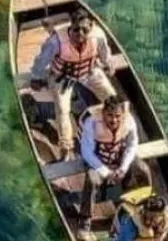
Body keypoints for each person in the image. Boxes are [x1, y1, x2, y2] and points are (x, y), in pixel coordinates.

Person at [30, 8, 116, 161]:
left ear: (92, 25)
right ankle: (65, 148)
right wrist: (36, 77)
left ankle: (115, 134)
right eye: (77, 30)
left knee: (113, 100)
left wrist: (109, 64)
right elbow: (40, 62)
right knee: (63, 110)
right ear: (71, 27)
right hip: (63, 78)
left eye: (85, 29)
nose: (81, 34)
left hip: (89, 72)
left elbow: (105, 54)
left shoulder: (98, 36)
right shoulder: (56, 42)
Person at [77, 95, 152, 241]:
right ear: (103, 113)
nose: (114, 120)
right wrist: (105, 171)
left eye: (117, 116)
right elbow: (86, 151)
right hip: (97, 160)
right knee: (92, 179)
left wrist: (123, 167)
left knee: (143, 169)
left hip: (118, 158)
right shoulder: (91, 122)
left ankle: (142, 207)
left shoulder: (129, 121)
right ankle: (85, 219)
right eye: (110, 115)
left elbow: (132, 144)